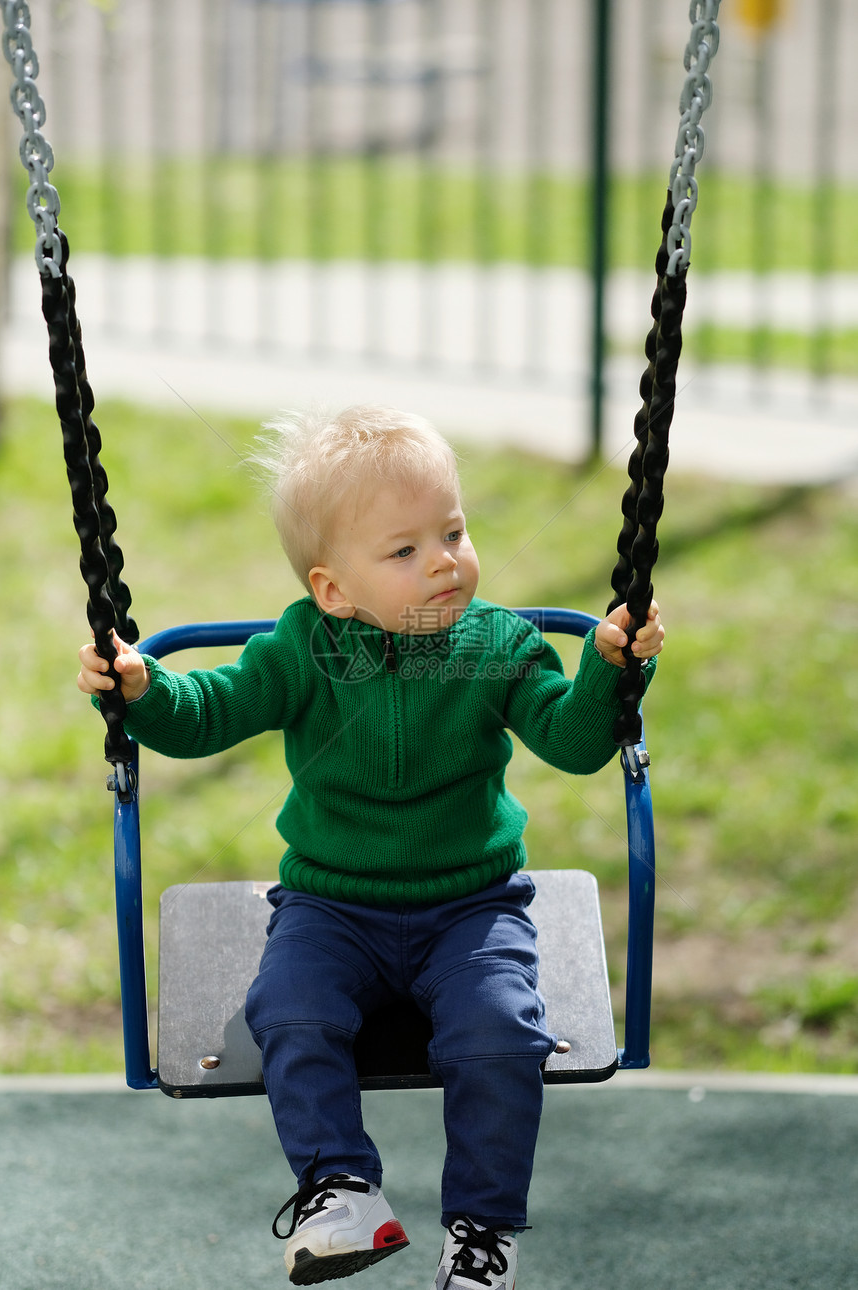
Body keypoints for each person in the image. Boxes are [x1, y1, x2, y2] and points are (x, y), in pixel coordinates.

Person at [77, 405, 664, 1290]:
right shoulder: (299, 651)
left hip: (473, 905)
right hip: (331, 905)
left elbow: (575, 742)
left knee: (503, 1034)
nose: (443, 561)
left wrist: (612, 674)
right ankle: (341, 1186)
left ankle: (480, 1232)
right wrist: (143, 691)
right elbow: (208, 716)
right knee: (287, 1011)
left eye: (453, 532)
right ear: (332, 590)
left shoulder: (496, 645)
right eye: (404, 551)